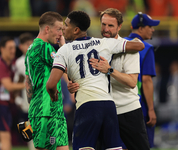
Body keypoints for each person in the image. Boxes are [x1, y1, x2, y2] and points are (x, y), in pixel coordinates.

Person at [46, 10, 144, 150]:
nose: (63, 29)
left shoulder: (64, 50)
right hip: (109, 107)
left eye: (66, 25)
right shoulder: (103, 43)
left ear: (75, 30)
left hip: (87, 106)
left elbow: (50, 84)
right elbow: (139, 46)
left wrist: (53, 95)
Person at [88, 8, 150, 150]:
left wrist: (109, 70)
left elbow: (132, 82)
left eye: (111, 26)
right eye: (103, 24)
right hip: (103, 111)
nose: (106, 29)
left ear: (119, 27)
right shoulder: (95, 47)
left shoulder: (129, 48)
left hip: (127, 110)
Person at [24, 11, 69, 150]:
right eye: (58, 29)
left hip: (52, 111)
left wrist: (32, 108)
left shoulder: (31, 48)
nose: (61, 33)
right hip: (46, 112)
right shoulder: (44, 47)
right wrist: (63, 45)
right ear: (47, 29)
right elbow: (67, 66)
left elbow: (28, 82)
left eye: (62, 29)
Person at [123, 12, 160, 148]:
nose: (153, 29)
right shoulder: (146, 48)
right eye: (150, 26)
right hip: (139, 105)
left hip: (119, 105)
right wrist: (151, 109)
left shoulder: (120, 44)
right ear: (140, 28)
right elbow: (146, 81)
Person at [0, 36, 25, 150]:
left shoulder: (14, 63)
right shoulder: (1, 65)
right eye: (10, 48)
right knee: (6, 137)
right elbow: (9, 86)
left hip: (11, 105)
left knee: (24, 131)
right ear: (2, 49)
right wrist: (27, 85)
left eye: (14, 48)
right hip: (2, 105)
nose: (13, 51)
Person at [14, 32, 35, 150]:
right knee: (30, 137)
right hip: (28, 103)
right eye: (27, 44)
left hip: (42, 102)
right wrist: (18, 99)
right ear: (21, 46)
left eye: (31, 44)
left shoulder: (39, 58)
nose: (30, 46)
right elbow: (18, 82)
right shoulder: (20, 62)